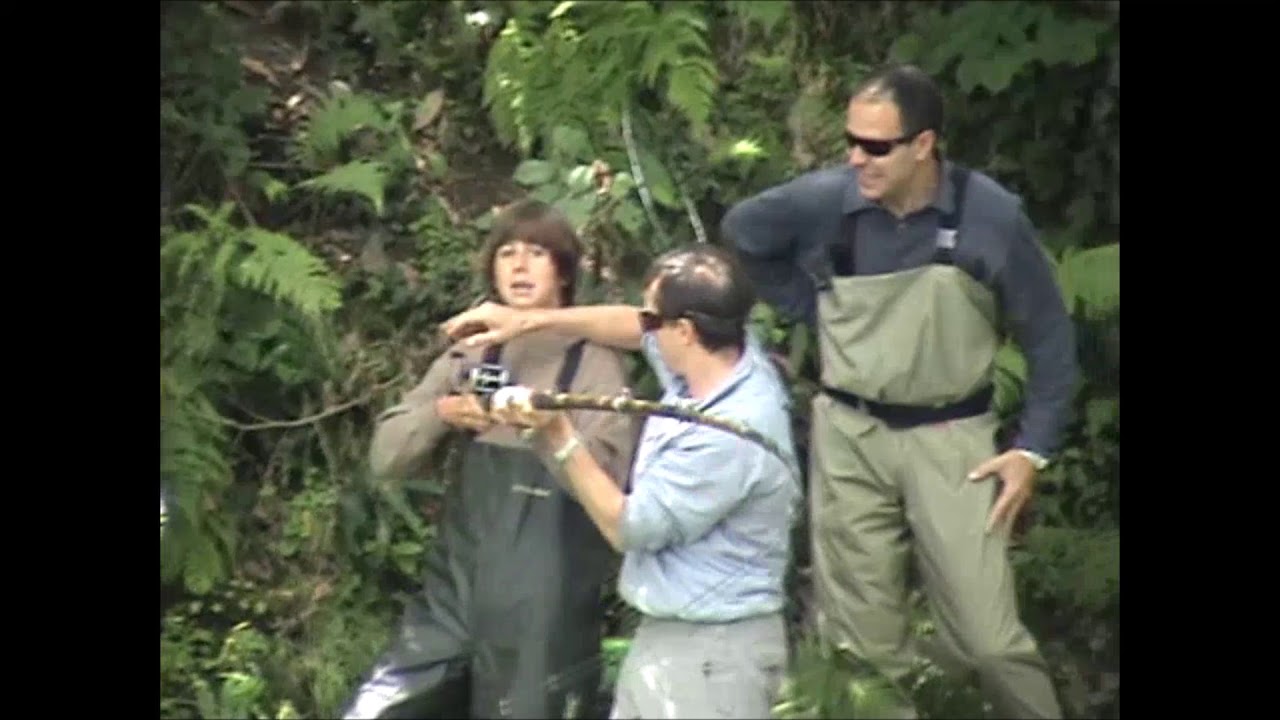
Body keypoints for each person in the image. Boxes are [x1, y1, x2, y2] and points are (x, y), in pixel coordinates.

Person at [719, 63, 1077, 719]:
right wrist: (810, 307)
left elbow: (1050, 338)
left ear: (924, 145)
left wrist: (1033, 451)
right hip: (850, 434)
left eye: (876, 146)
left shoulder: (990, 215)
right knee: (862, 650)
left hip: (954, 438)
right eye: (851, 142)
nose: (857, 158)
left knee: (990, 643)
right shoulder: (825, 203)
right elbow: (743, 233)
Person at [441, 244, 803, 719]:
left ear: (685, 331)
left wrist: (558, 435)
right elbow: (631, 327)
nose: (643, 327)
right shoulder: (722, 356)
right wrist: (527, 320)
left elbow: (628, 527)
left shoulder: (726, 435)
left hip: (710, 658)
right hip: (671, 638)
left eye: (653, 318)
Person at [341, 200, 641, 720]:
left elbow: (611, 495)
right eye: (507, 253)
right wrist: (442, 413)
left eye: (536, 253)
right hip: (450, 603)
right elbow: (385, 458)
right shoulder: (471, 354)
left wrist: (546, 431)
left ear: (563, 272)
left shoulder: (594, 364)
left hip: (542, 621)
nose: (519, 266)